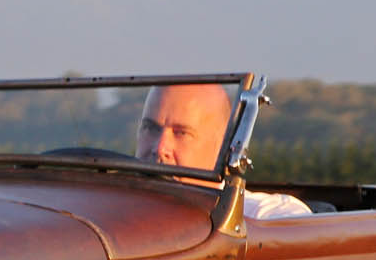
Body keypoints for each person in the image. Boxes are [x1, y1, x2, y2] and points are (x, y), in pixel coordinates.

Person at [134, 83, 312, 219]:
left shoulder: (262, 214)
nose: (160, 148)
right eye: (151, 128)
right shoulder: (114, 209)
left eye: (181, 133)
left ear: (222, 145)